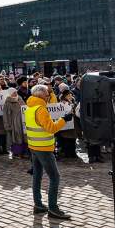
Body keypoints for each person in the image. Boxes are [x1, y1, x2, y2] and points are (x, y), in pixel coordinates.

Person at [24, 84, 71, 219]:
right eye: (46, 94)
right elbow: (51, 128)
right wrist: (64, 120)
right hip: (43, 148)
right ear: (40, 95)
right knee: (55, 177)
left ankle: (38, 205)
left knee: (37, 176)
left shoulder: (30, 108)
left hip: (33, 146)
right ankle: (53, 208)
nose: (48, 96)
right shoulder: (41, 109)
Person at [4, 77, 30, 160]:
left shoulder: (20, 99)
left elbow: (25, 108)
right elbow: (6, 115)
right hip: (14, 123)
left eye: (15, 92)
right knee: (16, 138)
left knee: (24, 137)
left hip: (22, 121)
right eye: (13, 93)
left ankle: (25, 152)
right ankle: (16, 153)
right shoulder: (7, 102)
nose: (15, 94)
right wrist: (8, 125)